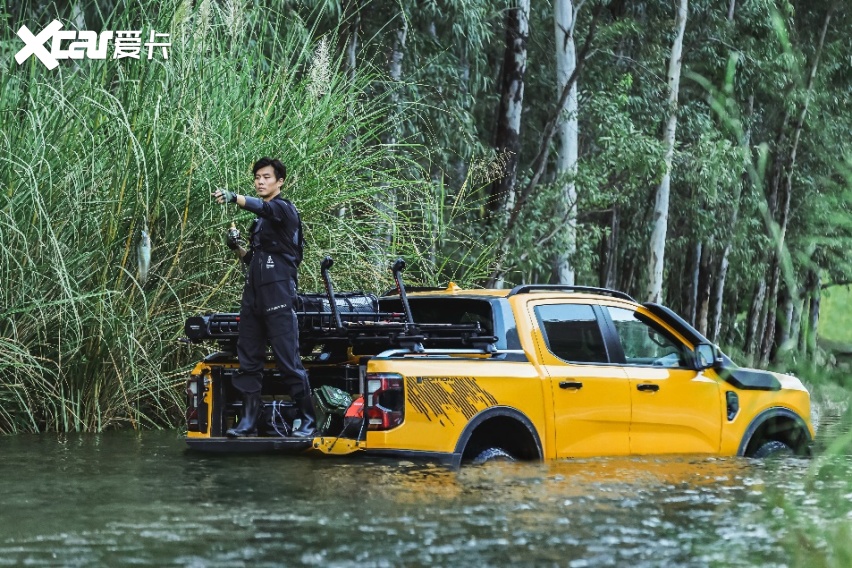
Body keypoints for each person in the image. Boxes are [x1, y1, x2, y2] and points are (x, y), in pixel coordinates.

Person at [212, 157, 316, 438]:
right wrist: (236, 248)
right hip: (254, 296)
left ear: (279, 181)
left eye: (266, 177)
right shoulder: (259, 223)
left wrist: (235, 197)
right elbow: (253, 261)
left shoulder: (283, 209)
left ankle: (308, 421)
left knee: (287, 360)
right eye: (257, 177)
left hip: (279, 294)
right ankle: (247, 422)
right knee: (248, 360)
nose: (260, 181)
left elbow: (264, 207)